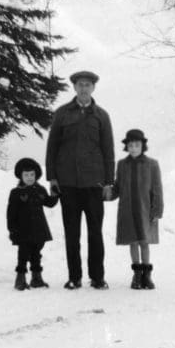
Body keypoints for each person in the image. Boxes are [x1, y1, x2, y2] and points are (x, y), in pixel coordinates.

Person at [45, 70, 115, 290]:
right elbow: (52, 147)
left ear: (93, 88)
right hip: (68, 184)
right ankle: (74, 277)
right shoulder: (62, 114)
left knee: (95, 233)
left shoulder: (101, 115)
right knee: (72, 234)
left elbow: (108, 150)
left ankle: (97, 277)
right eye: (80, 84)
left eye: (88, 85)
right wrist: (52, 177)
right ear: (74, 87)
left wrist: (108, 182)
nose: (84, 88)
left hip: (94, 184)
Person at [113, 129, 163, 290]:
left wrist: (157, 210)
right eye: (131, 145)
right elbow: (117, 187)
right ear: (126, 147)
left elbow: (157, 189)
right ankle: (137, 274)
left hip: (145, 210)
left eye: (137, 145)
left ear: (143, 146)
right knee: (132, 242)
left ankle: (147, 276)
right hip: (127, 210)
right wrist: (106, 192)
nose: (134, 148)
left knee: (144, 242)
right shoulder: (121, 165)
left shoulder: (152, 164)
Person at [7, 158, 58, 290]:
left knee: (36, 253)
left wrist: (55, 194)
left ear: (36, 175)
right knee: (23, 253)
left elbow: (49, 203)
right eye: (26, 175)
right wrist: (12, 230)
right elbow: (11, 214)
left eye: (32, 175)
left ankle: (36, 278)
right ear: (20, 176)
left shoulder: (40, 190)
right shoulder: (16, 192)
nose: (29, 178)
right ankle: (20, 279)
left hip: (39, 229)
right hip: (23, 230)